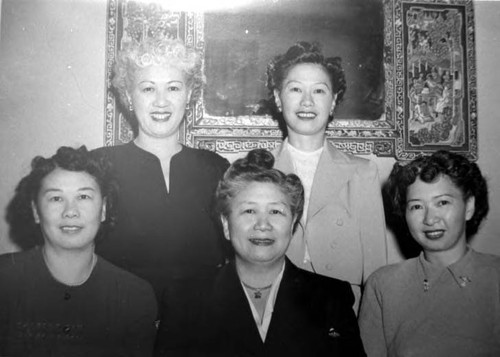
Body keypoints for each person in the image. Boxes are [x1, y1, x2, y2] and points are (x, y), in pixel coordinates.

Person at [155, 149, 366, 356]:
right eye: (249, 211)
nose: (263, 224)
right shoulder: (184, 300)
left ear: (292, 223)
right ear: (226, 225)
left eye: (275, 211)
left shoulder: (332, 298)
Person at [93, 37, 230, 301]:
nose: (161, 102)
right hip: (118, 316)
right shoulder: (98, 167)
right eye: (147, 89)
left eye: (173, 88)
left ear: (189, 95)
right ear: (128, 96)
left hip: (199, 322)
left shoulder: (216, 168)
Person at [266, 41, 388, 311]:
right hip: (277, 309)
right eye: (295, 89)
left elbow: (377, 273)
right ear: (278, 97)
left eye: (319, 91)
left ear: (333, 101)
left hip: (343, 312)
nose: (307, 101)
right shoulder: (259, 171)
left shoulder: (362, 172)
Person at [1, 146, 157, 356]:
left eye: (83, 197)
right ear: (36, 211)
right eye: (56, 198)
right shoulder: (5, 280)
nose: (71, 212)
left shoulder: (135, 297)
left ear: (103, 209)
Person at [358, 150, 500, 356]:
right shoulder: (383, 285)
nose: (430, 219)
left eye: (442, 202)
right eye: (416, 206)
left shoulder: (495, 277)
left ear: (468, 206)